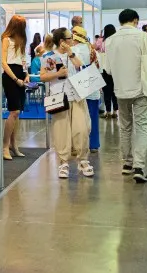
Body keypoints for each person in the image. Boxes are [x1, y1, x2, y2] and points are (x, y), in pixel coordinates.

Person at [105, 9, 147, 183]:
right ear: (135, 20)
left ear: (120, 22)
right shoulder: (142, 36)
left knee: (125, 127)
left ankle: (127, 163)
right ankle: (139, 166)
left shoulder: (110, 40)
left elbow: (108, 69)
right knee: (141, 126)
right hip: (140, 88)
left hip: (120, 89)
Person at [42, 28, 93, 178]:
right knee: (61, 131)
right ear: (62, 41)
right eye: (70, 37)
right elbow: (43, 76)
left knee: (82, 129)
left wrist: (70, 53)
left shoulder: (74, 53)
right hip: (59, 98)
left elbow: (81, 67)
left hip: (77, 96)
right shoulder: (50, 57)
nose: (73, 39)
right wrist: (57, 74)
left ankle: (83, 160)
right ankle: (63, 162)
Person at [1, 15, 30, 160]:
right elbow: (3, 62)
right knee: (14, 111)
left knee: (17, 112)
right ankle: (5, 146)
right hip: (10, 75)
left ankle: (13, 144)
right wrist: (15, 79)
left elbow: (23, 59)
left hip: (20, 74)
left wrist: (27, 74)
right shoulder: (6, 39)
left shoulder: (22, 40)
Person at [72, 26, 102, 154]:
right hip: (93, 85)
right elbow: (100, 70)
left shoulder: (73, 50)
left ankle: (79, 144)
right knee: (93, 116)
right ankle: (93, 144)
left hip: (77, 86)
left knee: (78, 117)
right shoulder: (93, 51)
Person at [99, 24, 119, 119]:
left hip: (105, 69)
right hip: (115, 69)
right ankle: (115, 111)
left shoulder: (103, 42)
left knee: (106, 91)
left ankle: (108, 111)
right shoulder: (117, 41)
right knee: (115, 91)